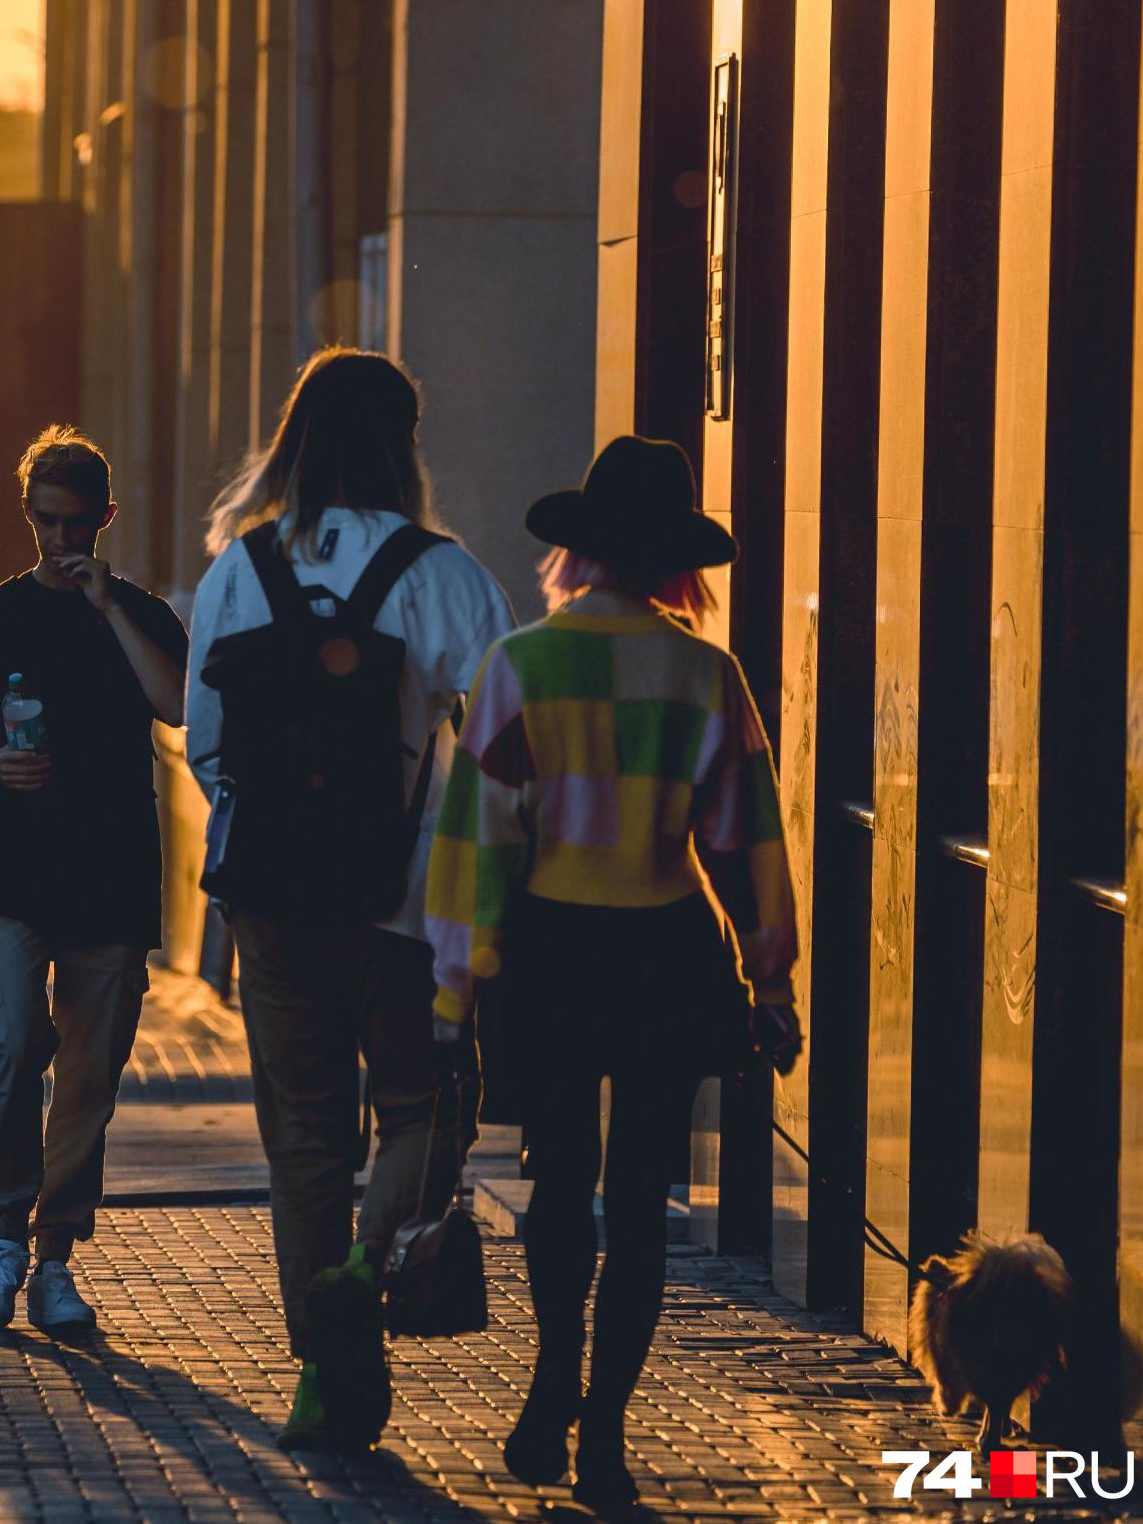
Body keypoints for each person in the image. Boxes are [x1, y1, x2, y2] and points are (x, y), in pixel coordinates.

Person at [426, 435, 802, 1510]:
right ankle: (608, 1430)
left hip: (547, 950)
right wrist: (768, 984)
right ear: (676, 559)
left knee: (559, 1183)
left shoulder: (520, 667)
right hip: (666, 949)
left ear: (578, 552)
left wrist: (456, 989)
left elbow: (479, 843)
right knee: (641, 1198)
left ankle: (552, 1375)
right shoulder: (707, 673)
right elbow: (746, 842)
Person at [184, 348, 516, 1451]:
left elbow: (208, 743)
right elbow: (503, 748)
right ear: (401, 444)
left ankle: (328, 1363)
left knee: (303, 1138)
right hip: (409, 904)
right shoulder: (445, 573)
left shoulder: (240, 568)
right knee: (425, 1112)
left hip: (273, 902)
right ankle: (365, 1275)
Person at [0, 425, 189, 1336]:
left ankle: (54, 1258)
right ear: (27, 513)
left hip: (114, 873)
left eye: (75, 525)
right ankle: (4, 1235)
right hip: (14, 870)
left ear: (104, 518)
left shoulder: (143, 613)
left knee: (88, 1077)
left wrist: (109, 607)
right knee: (11, 1049)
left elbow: (180, 706)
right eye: (44, 522)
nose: (59, 541)